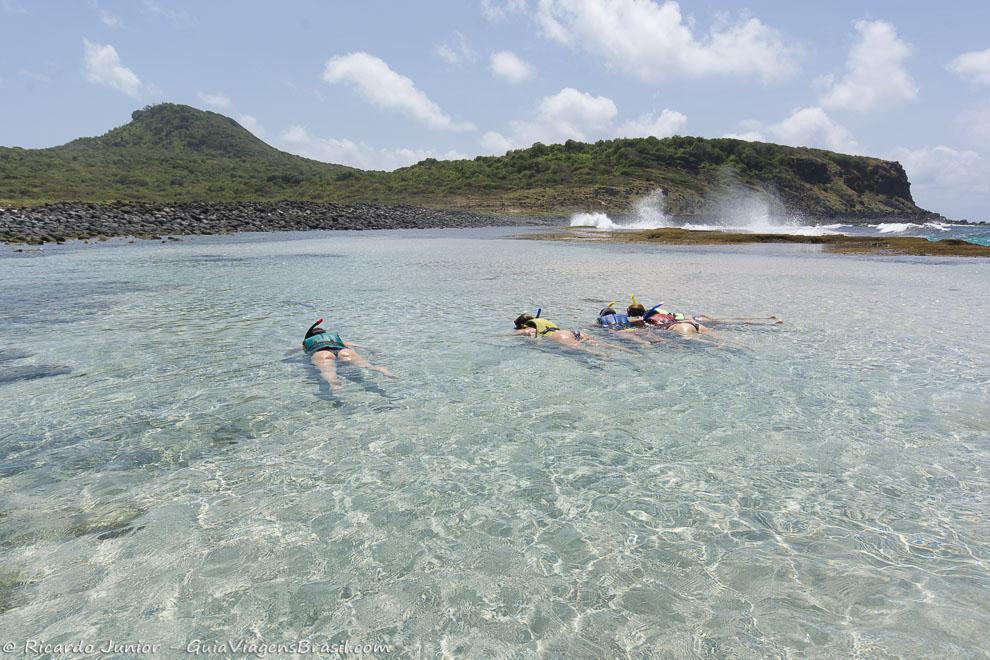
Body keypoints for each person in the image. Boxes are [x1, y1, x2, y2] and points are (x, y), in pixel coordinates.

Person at [301, 318, 394, 388]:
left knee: (328, 372)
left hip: (322, 353)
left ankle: (334, 382)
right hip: (343, 351)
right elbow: (362, 346)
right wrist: (373, 351)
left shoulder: (308, 342)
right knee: (367, 365)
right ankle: (381, 370)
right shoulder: (335, 340)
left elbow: (290, 352)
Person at [513, 310, 611, 357]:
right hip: (572, 332)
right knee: (602, 344)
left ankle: (601, 355)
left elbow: (524, 332)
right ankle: (625, 350)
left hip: (560, 336)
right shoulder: (543, 322)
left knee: (579, 348)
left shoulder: (530, 328)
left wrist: (499, 335)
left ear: (522, 325)